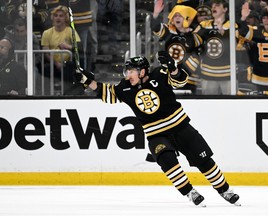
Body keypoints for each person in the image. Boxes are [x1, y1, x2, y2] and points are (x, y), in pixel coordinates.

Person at [74, 51, 241, 206]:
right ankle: (190, 192)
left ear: (142, 71)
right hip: (156, 134)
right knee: (167, 161)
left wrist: (174, 68)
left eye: (131, 71)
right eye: (127, 71)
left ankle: (224, 190)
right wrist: (88, 81)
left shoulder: (160, 74)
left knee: (204, 161)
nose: (128, 75)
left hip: (180, 127)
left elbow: (181, 80)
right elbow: (107, 94)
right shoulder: (125, 87)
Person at [151, 0, 203, 94]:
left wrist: (187, 31)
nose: (177, 18)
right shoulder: (169, 31)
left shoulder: (194, 34)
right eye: (175, 16)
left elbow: (192, 47)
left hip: (188, 79)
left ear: (186, 18)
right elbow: (155, 27)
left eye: (180, 16)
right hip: (169, 78)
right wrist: (156, 13)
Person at [238, 2, 268, 95]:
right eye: (264, 18)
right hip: (259, 77)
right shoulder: (257, 32)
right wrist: (243, 18)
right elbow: (243, 31)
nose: (265, 20)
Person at [193, 0, 238, 95]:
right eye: (212, 6)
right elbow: (193, 42)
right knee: (208, 106)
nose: (213, 7)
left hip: (229, 74)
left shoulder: (232, 25)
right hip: (208, 74)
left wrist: (222, 31)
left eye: (217, 5)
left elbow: (236, 45)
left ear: (225, 9)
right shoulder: (204, 25)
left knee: (231, 106)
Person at [41, 5, 83, 95]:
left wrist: (67, 47)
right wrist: (56, 63)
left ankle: (69, 95)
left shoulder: (71, 31)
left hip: (68, 63)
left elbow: (79, 48)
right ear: (52, 18)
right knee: (44, 70)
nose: (58, 18)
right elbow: (45, 51)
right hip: (51, 63)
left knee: (72, 70)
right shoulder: (46, 33)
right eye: (56, 16)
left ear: (66, 18)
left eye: (61, 16)